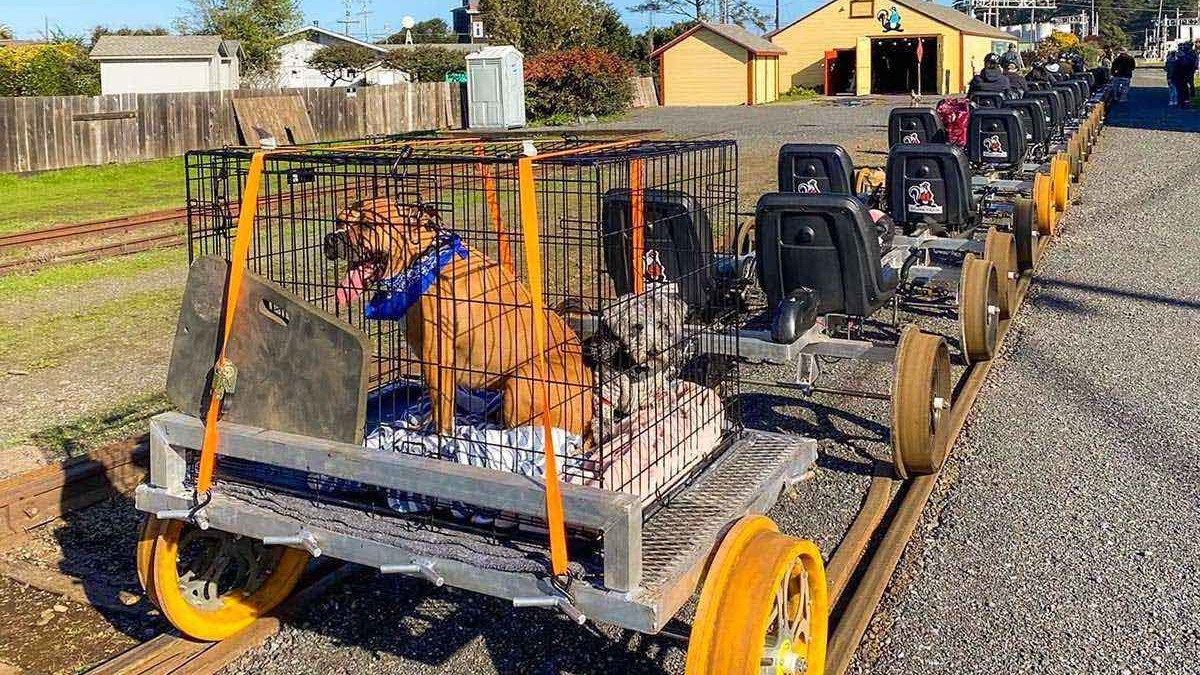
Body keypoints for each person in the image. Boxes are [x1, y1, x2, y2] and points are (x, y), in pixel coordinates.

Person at [1173, 42, 1198, 109]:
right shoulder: (1183, 53)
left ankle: (1185, 101)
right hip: (1180, 73)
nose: (1183, 47)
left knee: (1185, 87)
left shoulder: (1191, 53)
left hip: (1186, 72)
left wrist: (1182, 57)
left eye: (1185, 46)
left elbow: (1188, 63)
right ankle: (1182, 102)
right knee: (1181, 88)